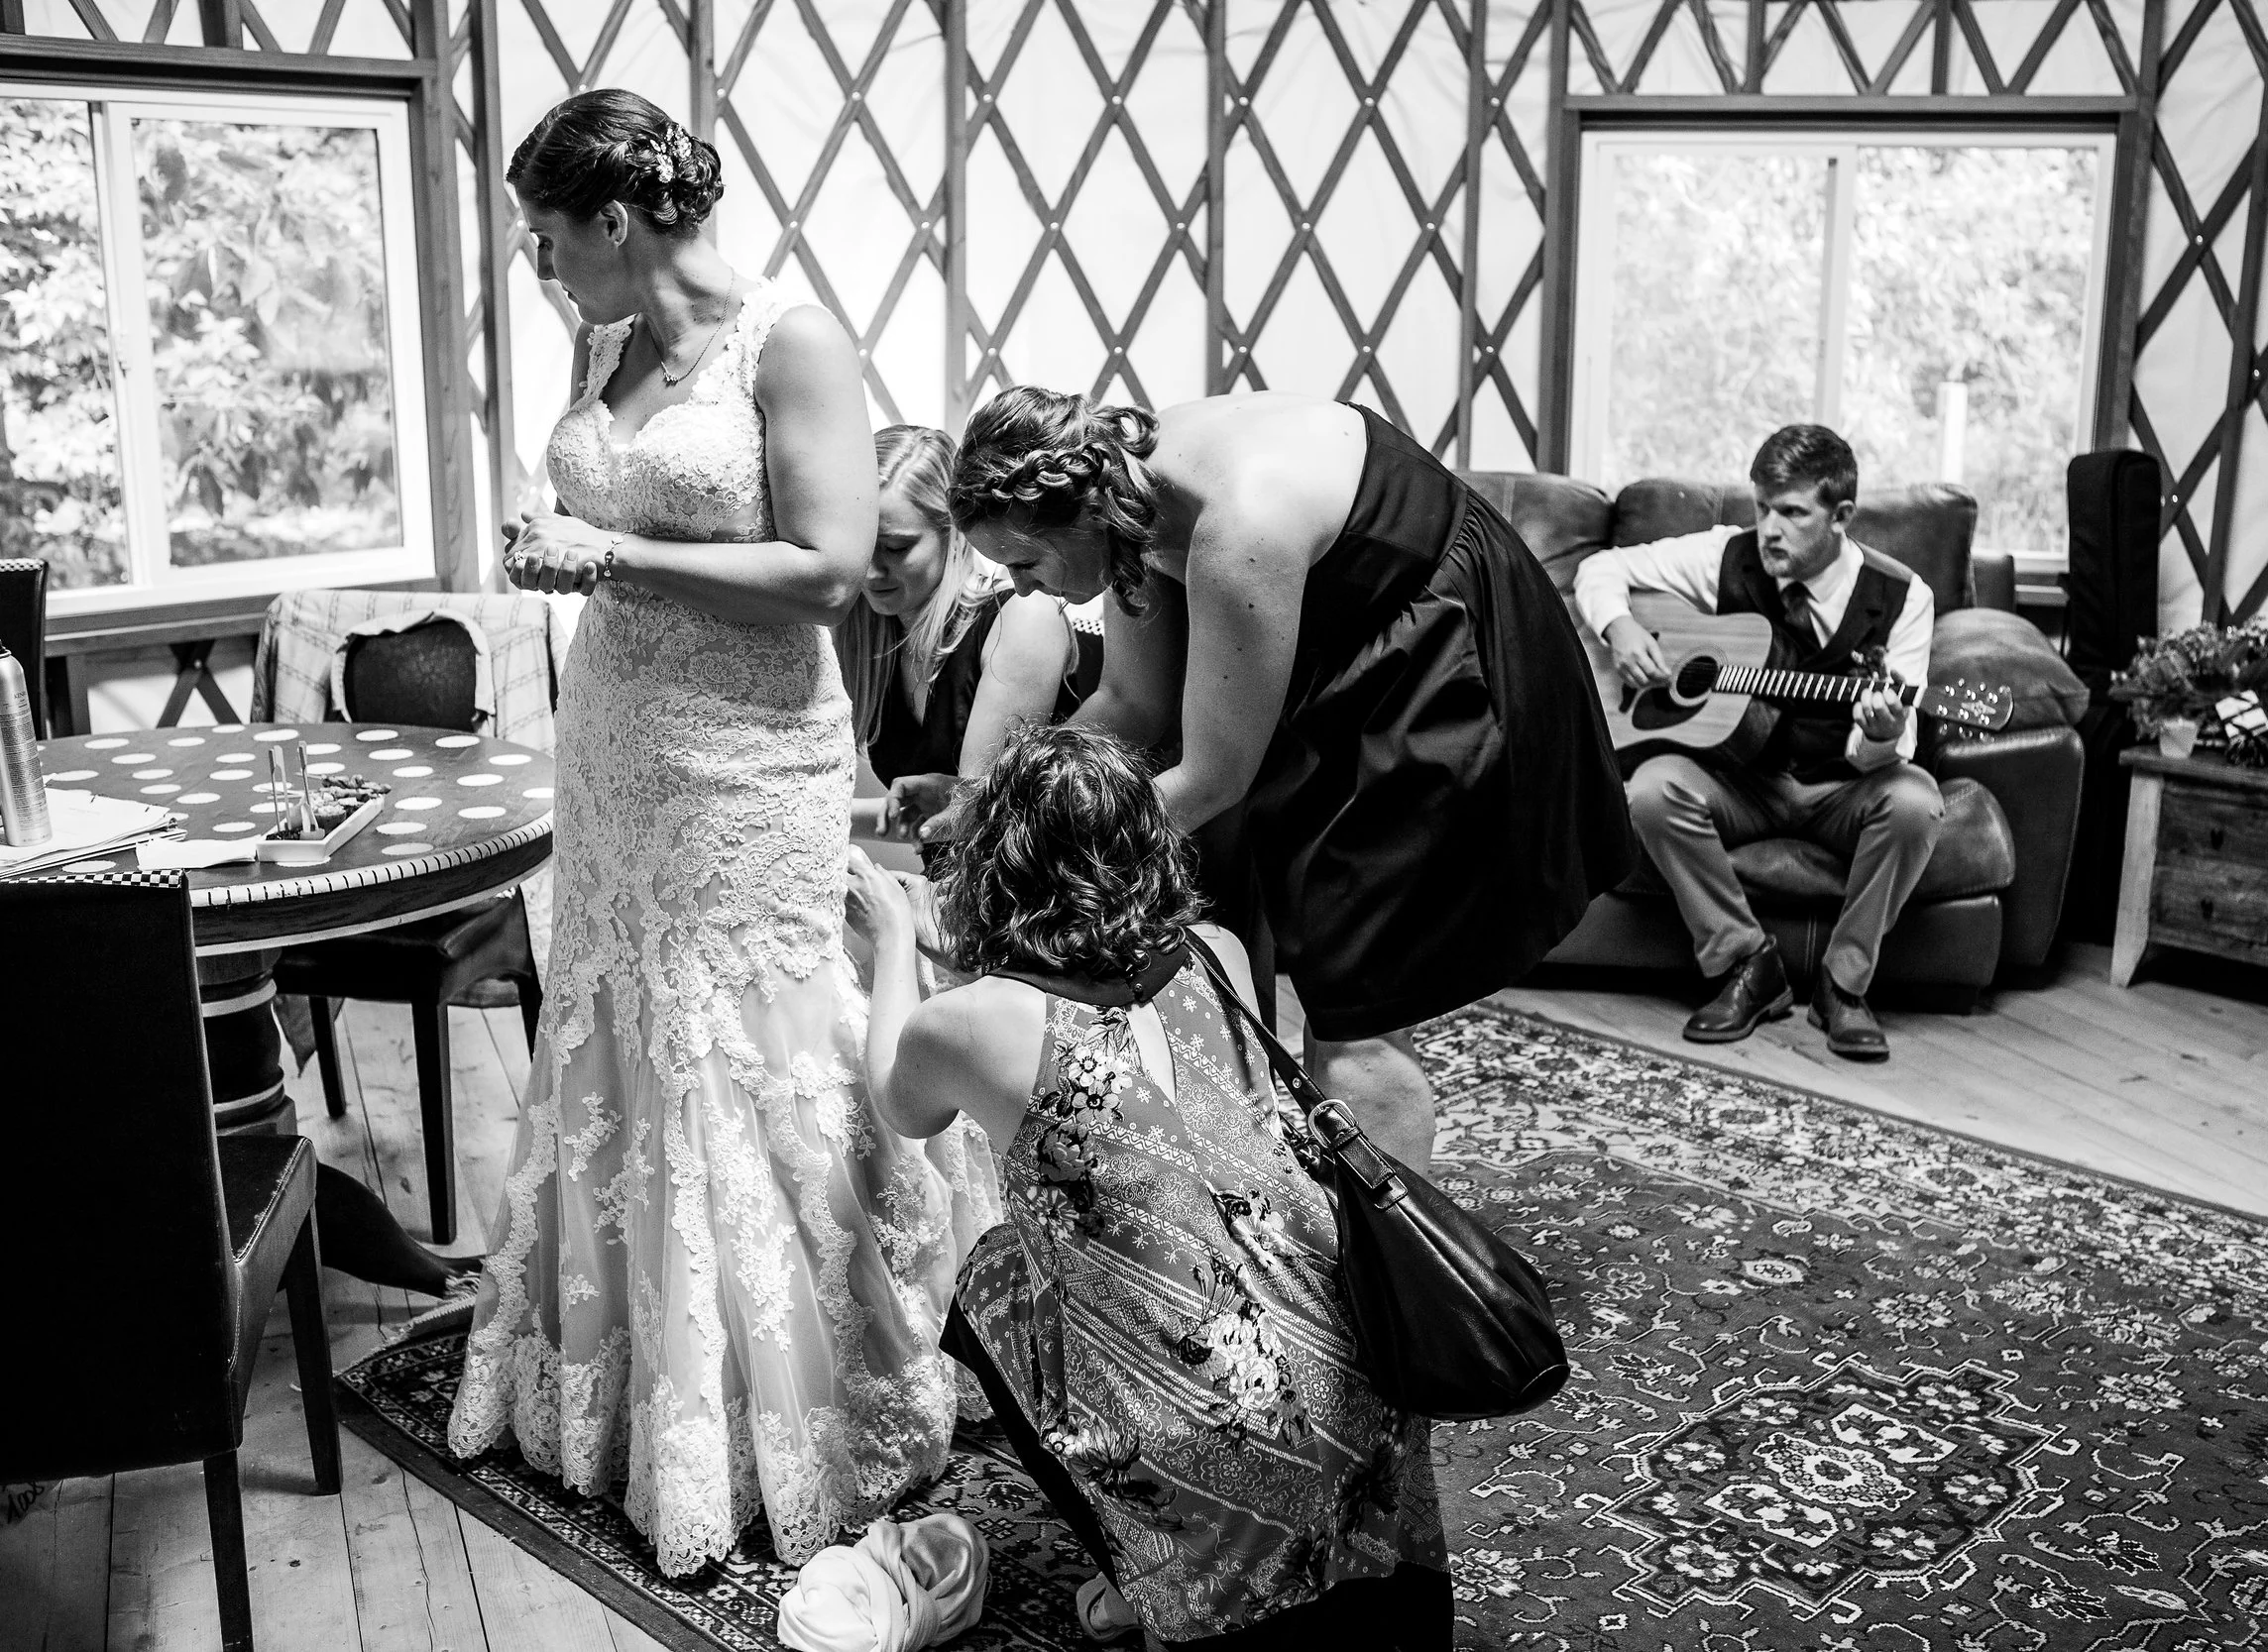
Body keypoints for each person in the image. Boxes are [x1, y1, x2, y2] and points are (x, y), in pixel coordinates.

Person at [449, 89, 974, 1577]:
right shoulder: (603, 344)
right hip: (617, 743)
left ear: (616, 221)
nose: (542, 269)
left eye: (549, 239)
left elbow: (830, 568)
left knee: (754, 1040)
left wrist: (608, 549)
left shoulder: (790, 342)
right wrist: (557, 550)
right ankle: (620, 1382)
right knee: (619, 1020)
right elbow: (604, 519)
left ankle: (807, 1389)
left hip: (748, 756)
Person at [918, 388, 1631, 1175]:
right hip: (1352, 666)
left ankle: (1390, 1245)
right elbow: (1131, 703)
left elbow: (1212, 778)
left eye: (1024, 563)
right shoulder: (1123, 500)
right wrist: (996, 807)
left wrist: (1041, 862)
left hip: (1447, 651)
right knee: (1335, 975)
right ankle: (1345, 1205)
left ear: (1076, 513)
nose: (1021, 590)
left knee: (1356, 1003)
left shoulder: (1239, 524)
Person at [850, 721, 1451, 1650]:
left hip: (1215, 1447)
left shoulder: (969, 1024)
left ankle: (1150, 1563)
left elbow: (901, 1098)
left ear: (998, 866)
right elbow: (1088, 991)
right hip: (1365, 1401)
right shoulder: (1218, 950)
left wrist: (895, 939)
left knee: (998, 1275)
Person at [1571, 423, 1943, 1061]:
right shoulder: (1725, 554)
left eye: (1792, 513)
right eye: (1762, 507)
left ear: (1841, 517)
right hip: (1741, 782)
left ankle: (1843, 985)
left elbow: (1887, 747)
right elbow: (1600, 567)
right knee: (1650, 792)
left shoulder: (1904, 598)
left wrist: (1881, 734)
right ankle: (1747, 964)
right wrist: (1621, 627)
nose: (1770, 529)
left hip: (1842, 786)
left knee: (1916, 802)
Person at [838, 426, 1093, 834]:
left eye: (896, 548)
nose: (870, 571)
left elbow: (980, 817)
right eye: (860, 546)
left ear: (954, 532)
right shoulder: (873, 641)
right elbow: (927, 817)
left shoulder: (1021, 617)